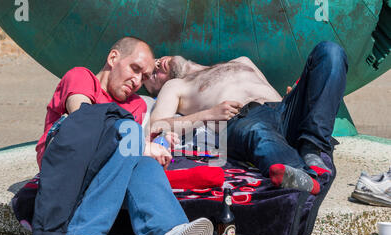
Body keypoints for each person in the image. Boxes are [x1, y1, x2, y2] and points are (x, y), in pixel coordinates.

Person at [34, 37, 214, 235]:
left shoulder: (137, 105)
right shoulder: (82, 77)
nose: (137, 81)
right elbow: (82, 119)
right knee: (128, 138)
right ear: (113, 58)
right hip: (67, 164)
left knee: (141, 157)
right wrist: (139, 142)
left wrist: (154, 145)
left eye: (144, 76)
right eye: (135, 69)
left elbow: (131, 149)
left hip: (106, 171)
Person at [145, 41, 348, 195]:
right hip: (244, 119)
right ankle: (301, 174)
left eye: (155, 61)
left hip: (282, 111)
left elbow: (268, 95)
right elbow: (157, 125)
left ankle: (311, 148)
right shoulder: (177, 86)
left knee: (330, 51)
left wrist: (292, 98)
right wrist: (209, 115)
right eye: (152, 76)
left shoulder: (242, 61)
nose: (157, 65)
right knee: (256, 129)